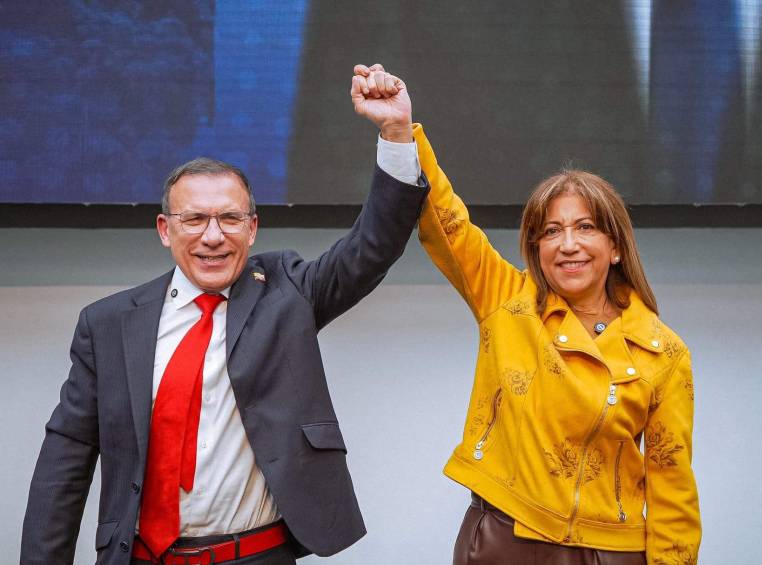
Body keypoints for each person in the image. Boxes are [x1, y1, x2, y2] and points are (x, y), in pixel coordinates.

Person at [21, 66, 425, 565]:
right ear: (165, 230)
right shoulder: (108, 325)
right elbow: (64, 464)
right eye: (194, 219)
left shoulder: (288, 291)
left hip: (258, 555)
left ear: (253, 228)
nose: (213, 236)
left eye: (230, 218)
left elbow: (373, 246)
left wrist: (395, 133)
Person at [354, 66, 701, 564]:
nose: (568, 245)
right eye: (551, 231)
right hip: (504, 541)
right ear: (535, 247)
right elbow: (446, 218)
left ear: (616, 247)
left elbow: (673, 486)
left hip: (613, 551)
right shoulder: (506, 299)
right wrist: (398, 130)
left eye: (585, 227)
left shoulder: (664, 353)